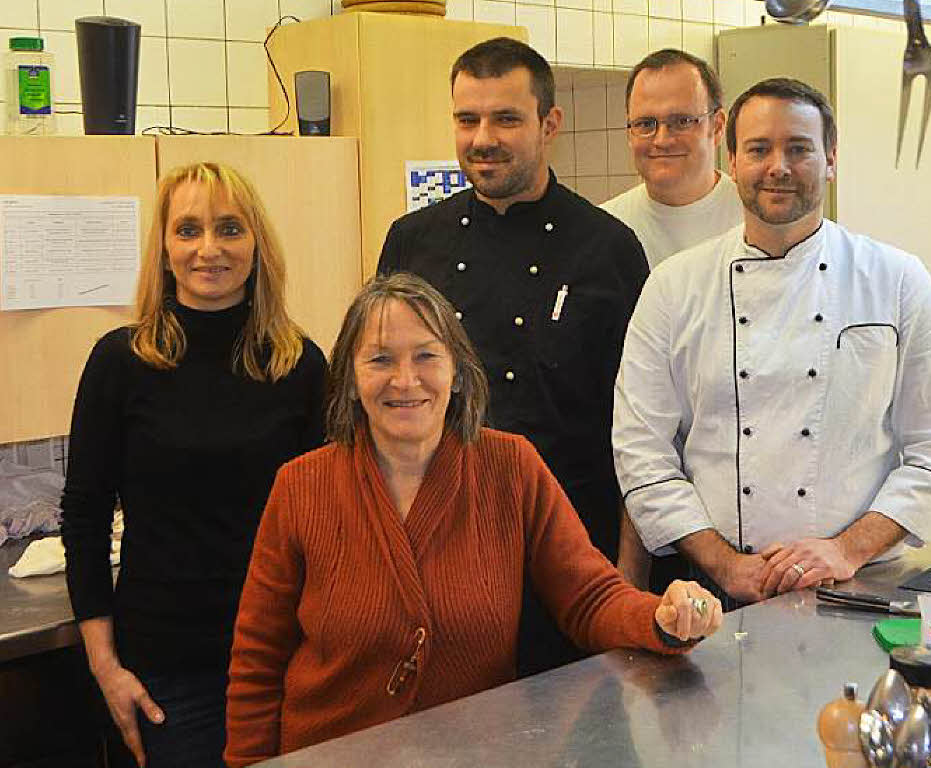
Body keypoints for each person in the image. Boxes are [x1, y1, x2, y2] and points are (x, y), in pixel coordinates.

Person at [224, 273, 722, 767]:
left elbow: (588, 597)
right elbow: (258, 658)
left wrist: (660, 617)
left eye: (426, 356)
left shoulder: (512, 467)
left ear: (458, 372)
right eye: (380, 360)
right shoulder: (300, 486)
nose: (404, 380)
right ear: (351, 381)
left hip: (478, 754)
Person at [612, 77, 931, 611]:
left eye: (799, 148)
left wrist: (846, 550)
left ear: (830, 159)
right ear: (731, 160)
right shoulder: (673, 287)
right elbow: (641, 453)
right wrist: (724, 563)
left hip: (859, 587)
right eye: (758, 149)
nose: (778, 167)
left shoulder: (896, 279)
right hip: (715, 592)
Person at [377, 37, 649, 676]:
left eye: (505, 118)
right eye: (466, 119)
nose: (482, 138)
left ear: (549, 123)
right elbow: (379, 393)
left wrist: (625, 576)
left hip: (567, 550)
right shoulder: (412, 241)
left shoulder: (607, 249)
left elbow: (642, 426)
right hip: (437, 543)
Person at [60, 162, 327, 768]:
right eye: (188, 230)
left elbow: (328, 520)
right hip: (169, 674)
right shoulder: (121, 362)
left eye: (230, 228)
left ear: (257, 245)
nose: (209, 249)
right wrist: (107, 669)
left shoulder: (299, 364)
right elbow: (83, 519)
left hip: (287, 656)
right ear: (164, 249)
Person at [601, 49, 744, 269]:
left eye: (682, 121)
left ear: (716, 127)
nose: (662, 140)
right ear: (630, 132)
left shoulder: (755, 219)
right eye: (646, 124)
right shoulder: (604, 229)